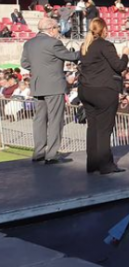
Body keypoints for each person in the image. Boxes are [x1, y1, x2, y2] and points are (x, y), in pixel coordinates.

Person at [20, 17, 80, 164]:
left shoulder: (29, 43)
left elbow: (24, 63)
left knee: (39, 119)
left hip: (37, 85)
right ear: (51, 29)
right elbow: (71, 56)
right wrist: (84, 50)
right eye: (57, 28)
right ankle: (51, 154)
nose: (58, 31)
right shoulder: (54, 43)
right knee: (55, 120)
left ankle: (39, 152)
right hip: (53, 86)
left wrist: (40, 70)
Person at [78, 18, 129, 174]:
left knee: (92, 127)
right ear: (103, 29)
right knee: (104, 130)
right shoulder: (105, 45)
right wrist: (125, 55)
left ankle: (92, 163)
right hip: (103, 91)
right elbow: (119, 66)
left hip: (86, 90)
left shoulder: (84, 46)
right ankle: (105, 164)